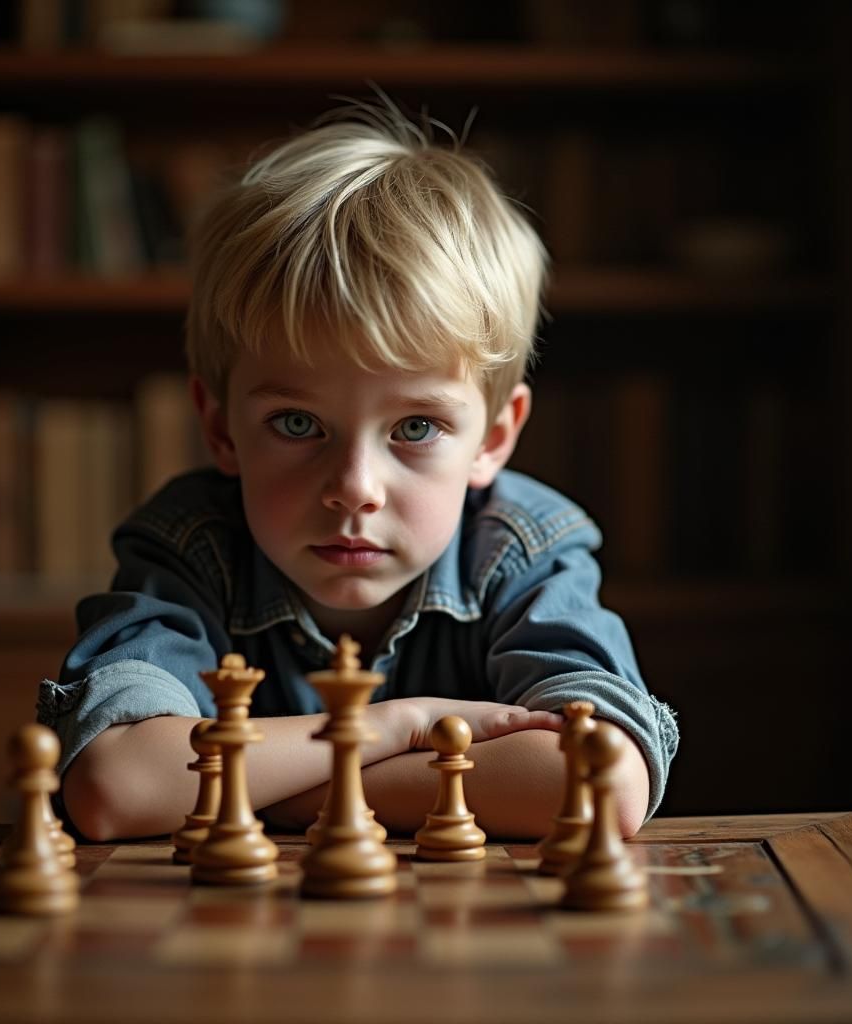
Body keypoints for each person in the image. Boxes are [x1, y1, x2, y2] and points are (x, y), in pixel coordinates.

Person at [38, 99, 678, 843]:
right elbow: (118, 784)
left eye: (415, 428)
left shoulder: (520, 550)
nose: (354, 487)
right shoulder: (190, 548)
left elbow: (599, 783)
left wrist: (249, 790)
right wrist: (396, 728)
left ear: (493, 439)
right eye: (298, 424)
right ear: (221, 428)